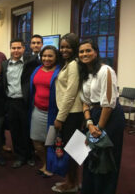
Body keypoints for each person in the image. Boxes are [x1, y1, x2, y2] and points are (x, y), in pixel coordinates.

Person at [78, 39, 124, 194]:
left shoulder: (106, 70)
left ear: (96, 52)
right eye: (81, 51)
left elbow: (108, 102)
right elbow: (85, 102)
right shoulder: (84, 74)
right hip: (93, 114)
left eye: (88, 50)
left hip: (110, 116)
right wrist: (90, 124)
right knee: (91, 155)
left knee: (106, 157)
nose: (84, 54)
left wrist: (99, 128)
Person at [51, 33, 83, 192]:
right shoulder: (68, 63)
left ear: (74, 48)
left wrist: (60, 118)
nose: (64, 49)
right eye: (62, 47)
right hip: (71, 112)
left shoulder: (73, 65)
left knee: (73, 150)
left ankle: (71, 183)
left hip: (73, 113)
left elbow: (70, 94)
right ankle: (72, 181)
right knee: (73, 149)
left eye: (68, 47)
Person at [2, 38, 39, 169]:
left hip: (25, 102)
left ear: (24, 49)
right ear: (10, 49)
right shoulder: (4, 64)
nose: (16, 50)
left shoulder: (30, 63)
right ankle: (19, 156)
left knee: (27, 130)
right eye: (13, 48)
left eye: (19, 48)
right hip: (11, 103)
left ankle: (29, 155)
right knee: (15, 131)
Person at [29, 45, 60, 177]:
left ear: (56, 57)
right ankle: (45, 163)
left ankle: (51, 166)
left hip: (53, 113)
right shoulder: (37, 69)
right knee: (36, 141)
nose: (46, 58)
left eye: (50, 56)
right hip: (37, 111)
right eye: (44, 56)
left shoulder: (59, 71)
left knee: (50, 142)